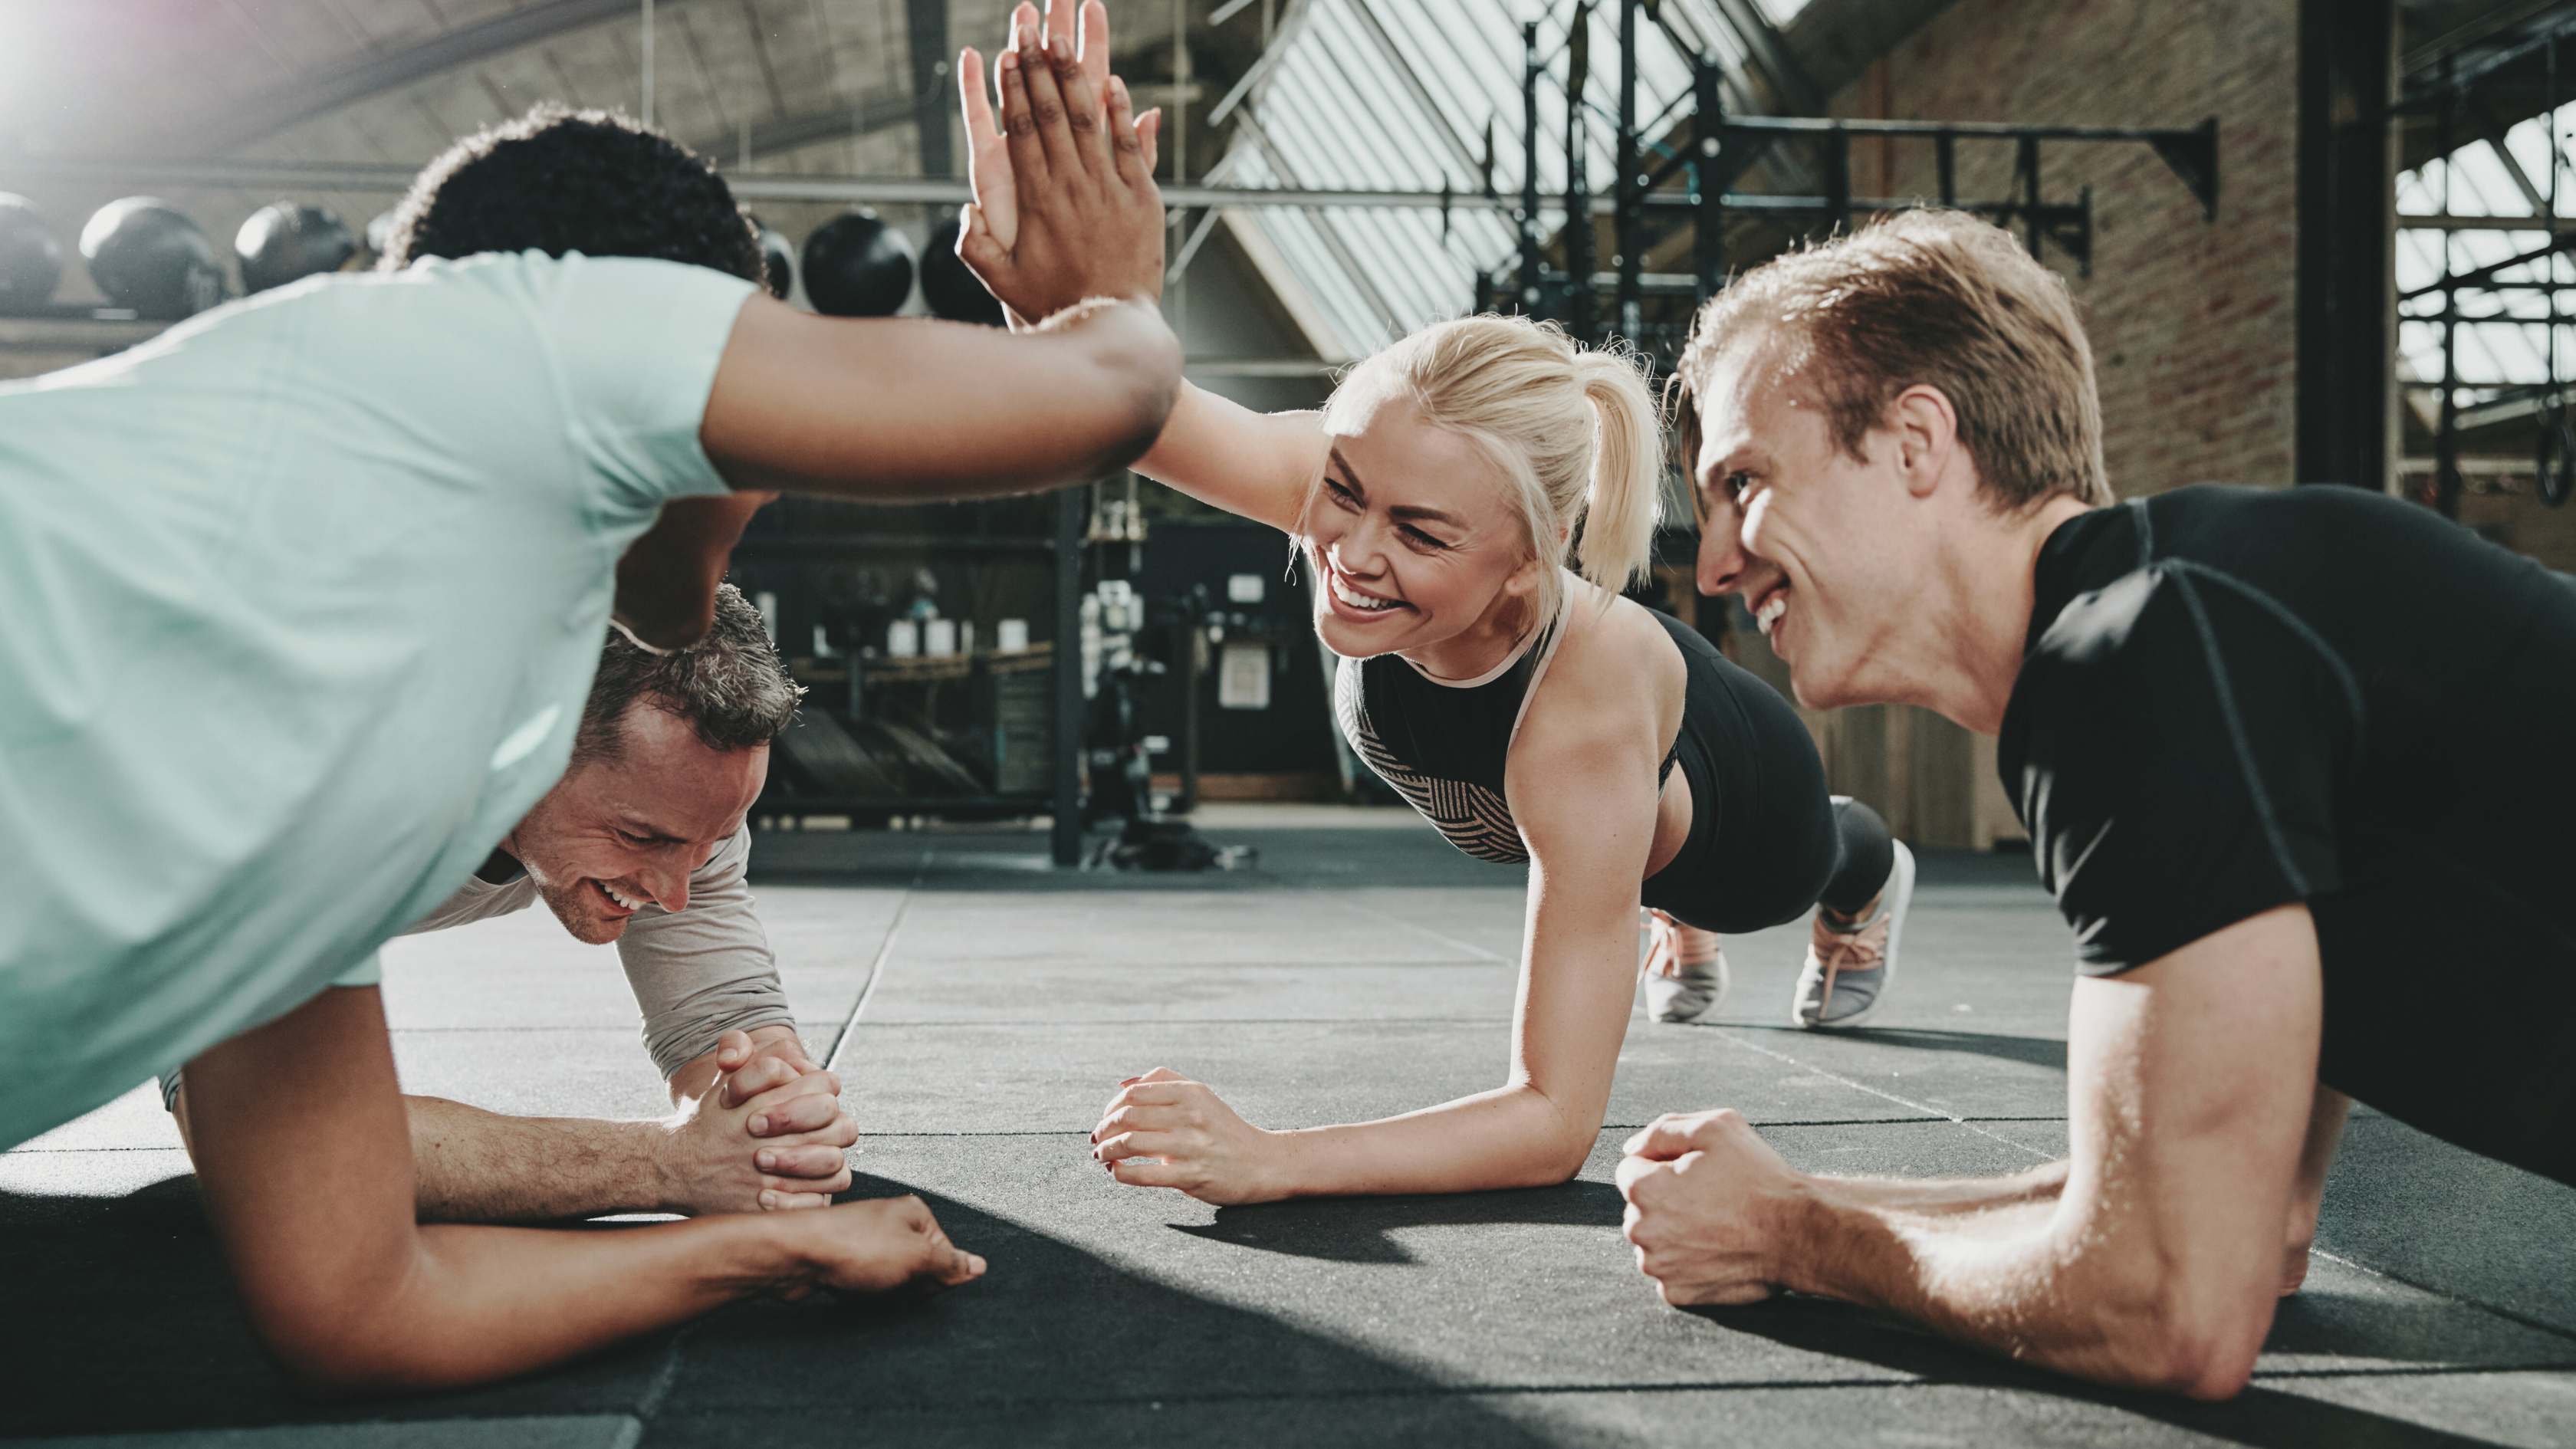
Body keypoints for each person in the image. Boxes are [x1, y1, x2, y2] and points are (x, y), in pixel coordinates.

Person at [0, 31, 1170, 1393]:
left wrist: (771, 1245)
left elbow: (357, 1305)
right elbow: (1106, 398)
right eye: (753, 357)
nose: (769, 461)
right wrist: (1107, 292)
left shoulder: (355, 691)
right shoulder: (523, 326)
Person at [955, 2, 1914, 1211]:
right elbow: (1120, 404)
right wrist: (1055, 297)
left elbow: (1550, 1121)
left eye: (1418, 533)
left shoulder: (1576, 721)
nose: (1349, 551)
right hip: (1604, 796)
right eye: (1343, 493)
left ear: (1528, 560)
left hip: (1744, 822)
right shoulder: (1353, 487)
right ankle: (1637, 901)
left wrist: (1278, 1158)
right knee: (1602, 871)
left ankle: (1855, 882)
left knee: (1803, 855)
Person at [1617, 207, 2576, 1401]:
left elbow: (2177, 1303)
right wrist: (1800, 1200)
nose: (1712, 562)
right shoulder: (2193, 612)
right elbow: (2253, 1221)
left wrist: (1788, 1236)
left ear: (1917, 441)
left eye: (1744, 483)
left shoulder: (2139, 660)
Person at [162, 583, 859, 1221]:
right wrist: (668, 1164)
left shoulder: (684, 807)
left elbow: (728, 1027)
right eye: (638, 836)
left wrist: (777, 1122)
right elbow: (271, 1135)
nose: (675, 892)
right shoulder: (315, 791)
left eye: (715, 837)